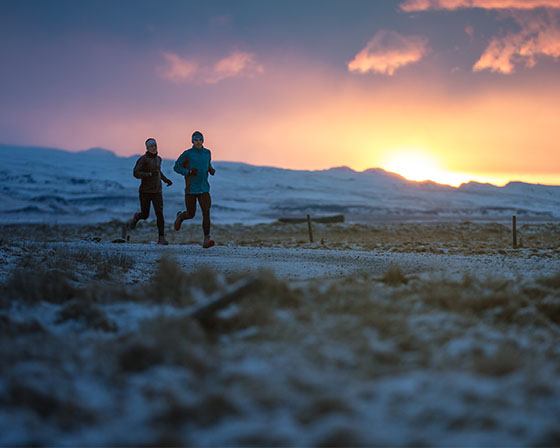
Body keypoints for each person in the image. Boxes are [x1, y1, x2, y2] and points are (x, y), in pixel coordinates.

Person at [173, 130, 216, 248]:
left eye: (200, 140)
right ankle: (181, 216)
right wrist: (188, 172)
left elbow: (208, 164)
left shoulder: (207, 152)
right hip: (191, 189)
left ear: (203, 141)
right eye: (196, 140)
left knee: (206, 213)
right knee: (191, 214)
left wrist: (210, 169)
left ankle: (207, 239)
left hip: (204, 188)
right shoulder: (187, 154)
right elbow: (176, 167)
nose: (198, 142)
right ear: (192, 141)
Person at [127, 138, 173, 245]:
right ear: (147, 148)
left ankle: (161, 238)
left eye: (155, 146)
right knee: (145, 214)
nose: (153, 148)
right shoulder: (143, 159)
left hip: (157, 191)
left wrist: (166, 180)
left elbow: (158, 172)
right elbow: (136, 173)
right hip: (145, 191)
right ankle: (137, 216)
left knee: (159, 214)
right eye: (151, 146)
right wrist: (148, 175)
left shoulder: (159, 159)